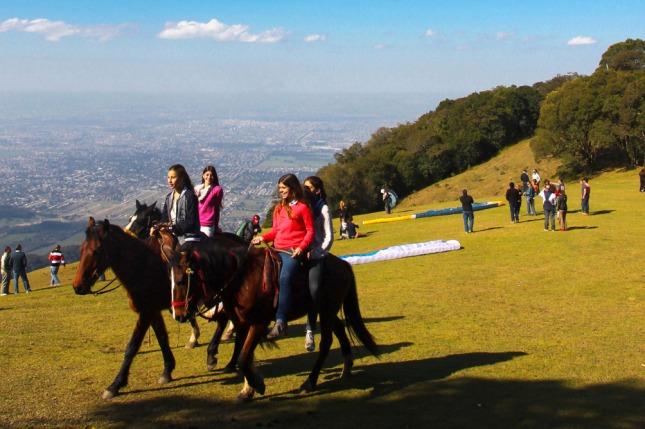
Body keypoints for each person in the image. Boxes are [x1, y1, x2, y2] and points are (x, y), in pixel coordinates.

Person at [252, 174, 314, 339]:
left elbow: (310, 231)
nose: (281, 191)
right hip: (276, 249)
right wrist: (263, 238)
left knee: (285, 277)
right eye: (279, 188)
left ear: (292, 188)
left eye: (284, 188)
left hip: (292, 251)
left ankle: (280, 321)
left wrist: (301, 247)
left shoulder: (303, 207)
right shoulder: (278, 208)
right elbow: (275, 231)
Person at [302, 176, 334, 352]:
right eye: (304, 187)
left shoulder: (323, 209)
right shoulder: (303, 206)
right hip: (300, 251)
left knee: (313, 289)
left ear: (317, 190)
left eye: (309, 188)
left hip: (316, 254)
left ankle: (310, 330)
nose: (305, 190)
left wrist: (316, 252)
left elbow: (329, 237)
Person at [159, 164, 200, 244]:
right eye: (168, 177)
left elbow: (191, 221)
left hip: (189, 237)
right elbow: (164, 218)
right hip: (173, 235)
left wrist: (174, 228)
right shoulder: (169, 197)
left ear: (181, 178)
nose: (170, 181)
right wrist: (158, 226)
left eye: (173, 177)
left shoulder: (190, 196)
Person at [194, 165, 224, 237]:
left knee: (205, 244)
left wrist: (216, 226)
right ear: (203, 176)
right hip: (196, 223)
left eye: (211, 175)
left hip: (207, 225)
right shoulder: (197, 189)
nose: (209, 177)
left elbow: (216, 209)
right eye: (207, 174)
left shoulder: (217, 190)